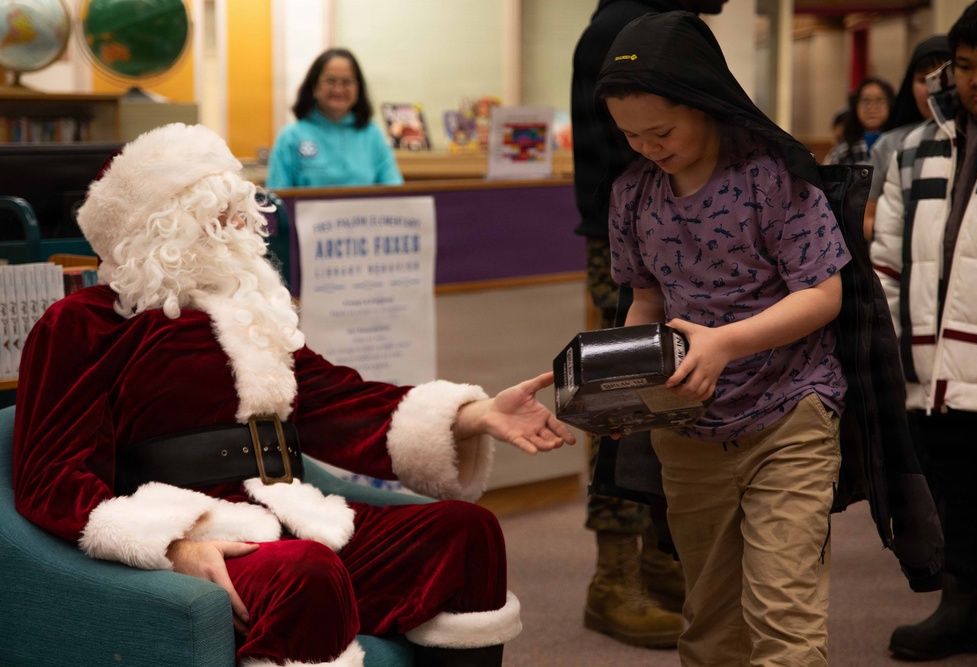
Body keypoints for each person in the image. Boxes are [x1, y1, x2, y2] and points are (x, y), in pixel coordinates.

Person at [12, 123, 576, 667]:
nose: (242, 224)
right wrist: (171, 544)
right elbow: (51, 476)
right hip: (202, 530)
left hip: (290, 512)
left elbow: (338, 400)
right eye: (220, 212)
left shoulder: (246, 312)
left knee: (463, 532)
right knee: (305, 571)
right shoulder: (82, 324)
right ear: (164, 227)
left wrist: (475, 413)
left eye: (240, 210)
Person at [599, 12, 853, 664]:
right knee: (708, 620)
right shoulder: (633, 193)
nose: (650, 146)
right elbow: (646, 298)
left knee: (782, 613)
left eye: (662, 130)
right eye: (632, 135)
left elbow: (824, 294)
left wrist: (725, 343)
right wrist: (625, 380)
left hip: (791, 411)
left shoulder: (769, 174)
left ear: (705, 101)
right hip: (689, 428)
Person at [569, 0, 726, 649]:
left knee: (667, 395)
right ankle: (615, 576)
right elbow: (635, 158)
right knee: (624, 396)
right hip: (633, 240)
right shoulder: (626, 28)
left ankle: (659, 559)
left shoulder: (655, 21)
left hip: (670, 230)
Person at [870, 0, 977, 660]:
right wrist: (894, 348)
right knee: (957, 490)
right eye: (968, 66)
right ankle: (964, 608)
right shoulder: (917, 147)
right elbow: (887, 258)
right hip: (934, 366)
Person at [266, 48, 403, 189]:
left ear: (358, 88)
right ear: (315, 87)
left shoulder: (372, 135)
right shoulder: (290, 137)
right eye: (330, 81)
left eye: (347, 82)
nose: (338, 90)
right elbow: (278, 197)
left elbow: (393, 190)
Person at [862, 35, 951, 240]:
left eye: (939, 78)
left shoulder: (976, 141)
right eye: (922, 80)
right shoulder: (891, 145)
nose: (931, 89)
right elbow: (867, 218)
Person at [824, 76, 895, 166]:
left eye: (879, 100)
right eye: (865, 101)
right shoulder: (844, 149)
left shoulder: (899, 144)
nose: (871, 107)